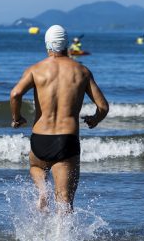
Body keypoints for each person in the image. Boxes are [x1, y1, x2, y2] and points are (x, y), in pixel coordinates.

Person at [10, 25, 109, 212]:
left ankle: (42, 192)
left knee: (36, 167)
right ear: (66, 44)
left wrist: (17, 118)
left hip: (40, 137)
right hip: (66, 140)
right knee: (65, 203)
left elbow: (15, 94)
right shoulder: (82, 71)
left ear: (47, 45)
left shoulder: (35, 70)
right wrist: (95, 120)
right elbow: (103, 107)